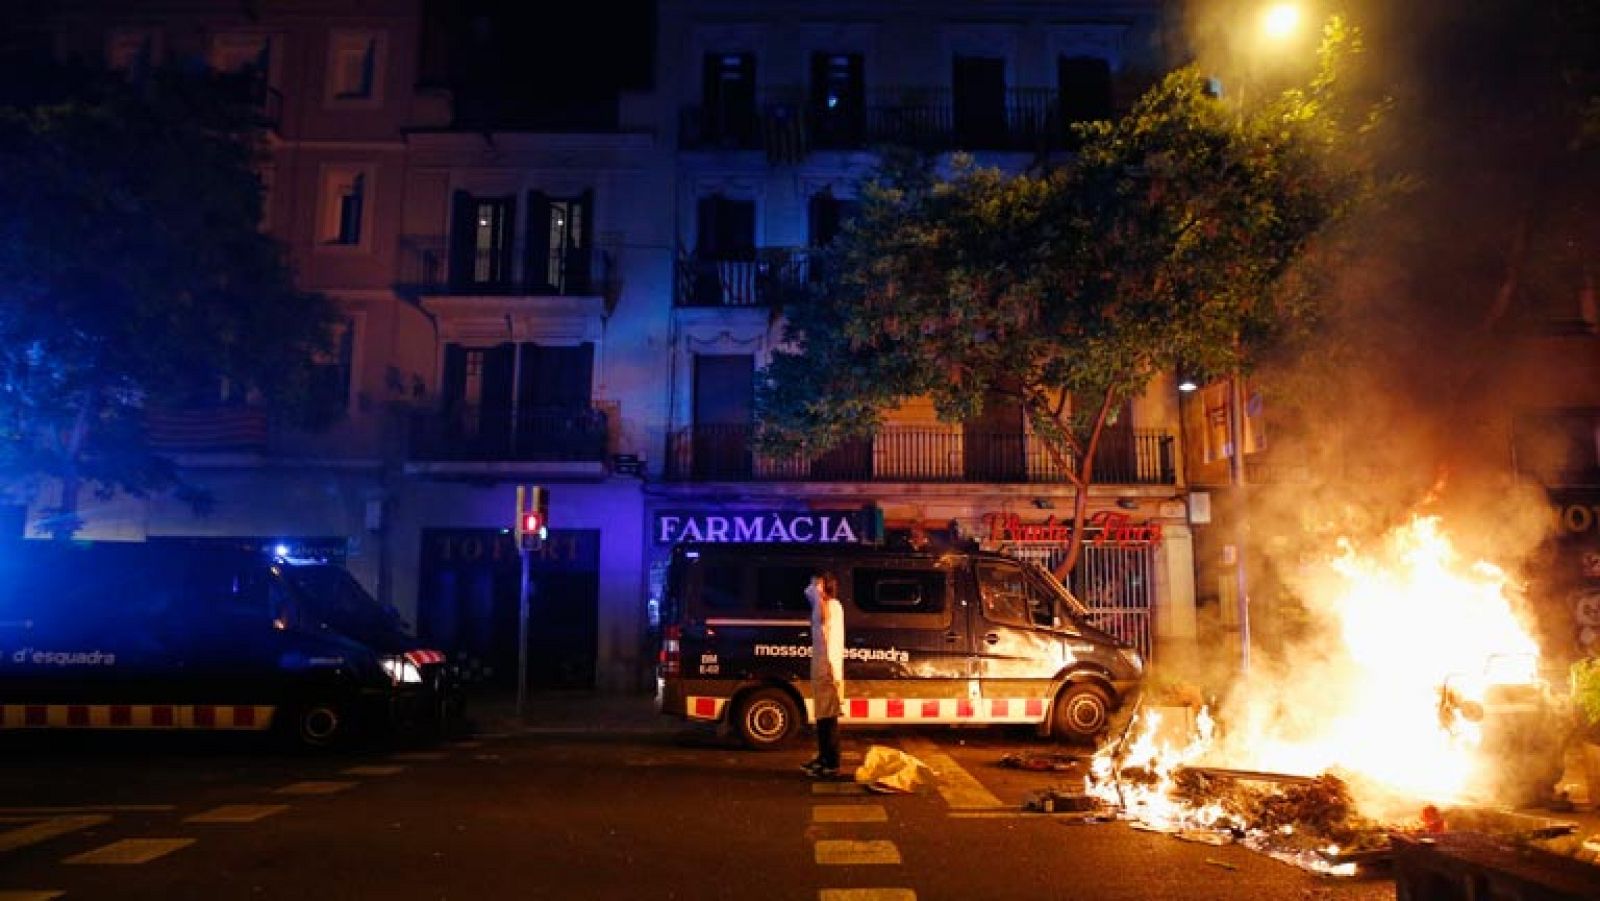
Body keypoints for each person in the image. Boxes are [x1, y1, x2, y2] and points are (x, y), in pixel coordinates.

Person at [802, 568, 844, 778]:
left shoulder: (833, 606)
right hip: (820, 666)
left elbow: (825, 622)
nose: (812, 588)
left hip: (829, 668)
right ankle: (823, 757)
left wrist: (817, 596)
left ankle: (832, 762)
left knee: (829, 717)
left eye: (817, 583)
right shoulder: (820, 606)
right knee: (821, 715)